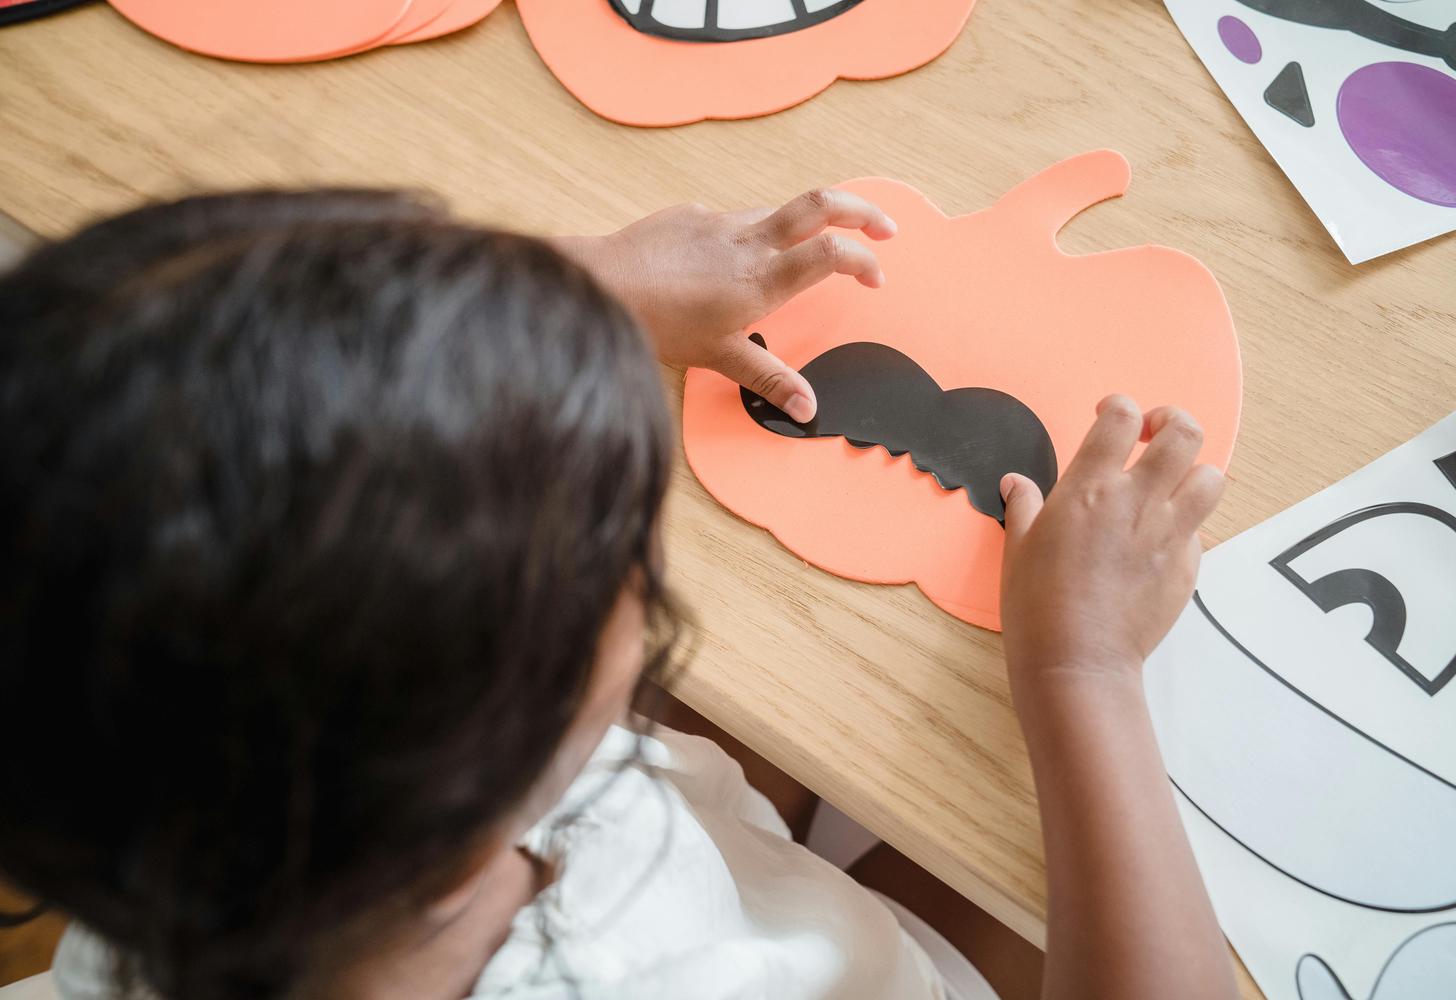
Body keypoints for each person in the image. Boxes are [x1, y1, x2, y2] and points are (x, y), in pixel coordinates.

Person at [0, 187, 1237, 1000]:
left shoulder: (171, 820)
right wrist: (1085, 676)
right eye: (618, 549)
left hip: (718, 859)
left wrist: (570, 294)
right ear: (510, 739)